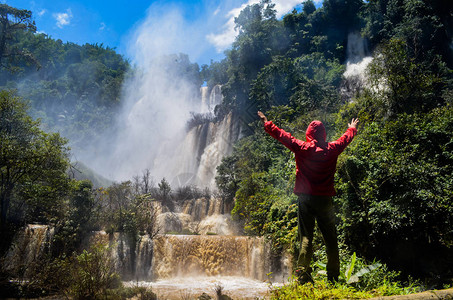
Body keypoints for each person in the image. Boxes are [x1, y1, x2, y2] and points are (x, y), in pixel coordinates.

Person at [257, 111, 358, 284]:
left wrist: (267, 123)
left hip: (305, 199)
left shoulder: (303, 148)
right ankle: (333, 276)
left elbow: (283, 136)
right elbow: (345, 139)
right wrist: (352, 129)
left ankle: (303, 275)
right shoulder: (332, 149)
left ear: (309, 134)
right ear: (324, 134)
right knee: (331, 239)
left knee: (305, 238)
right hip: (325, 199)